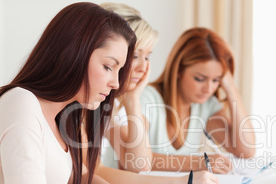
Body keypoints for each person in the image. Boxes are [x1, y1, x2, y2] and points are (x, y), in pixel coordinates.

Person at [0, 3, 197, 184]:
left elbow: (77, 181)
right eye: (108, 67)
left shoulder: (63, 115)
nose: (116, 83)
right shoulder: (20, 104)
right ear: (73, 53)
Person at [89, 3, 219, 184]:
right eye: (135, 56)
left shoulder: (114, 104)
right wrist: (180, 183)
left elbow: (138, 164)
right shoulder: (93, 101)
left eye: (148, 57)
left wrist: (132, 100)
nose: (143, 67)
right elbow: (135, 164)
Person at [106, 27, 256, 174]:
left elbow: (246, 150)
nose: (208, 88)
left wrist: (231, 89)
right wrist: (199, 162)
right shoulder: (145, 98)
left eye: (216, 80)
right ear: (178, 70)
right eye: (200, 79)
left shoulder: (205, 105)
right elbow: (136, 160)